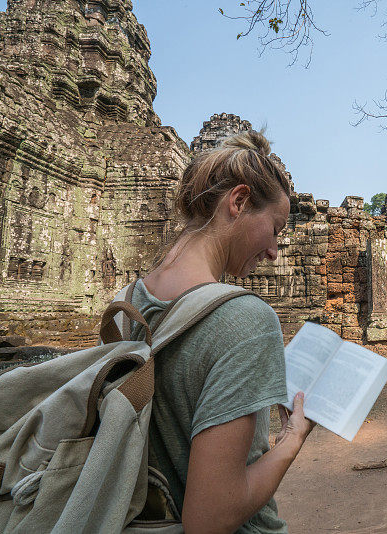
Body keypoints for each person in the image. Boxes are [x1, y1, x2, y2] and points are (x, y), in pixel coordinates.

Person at [128, 130, 314, 533]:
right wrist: (293, 438)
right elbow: (210, 520)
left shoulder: (126, 303)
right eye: (276, 229)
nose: (273, 251)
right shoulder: (246, 320)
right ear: (240, 201)